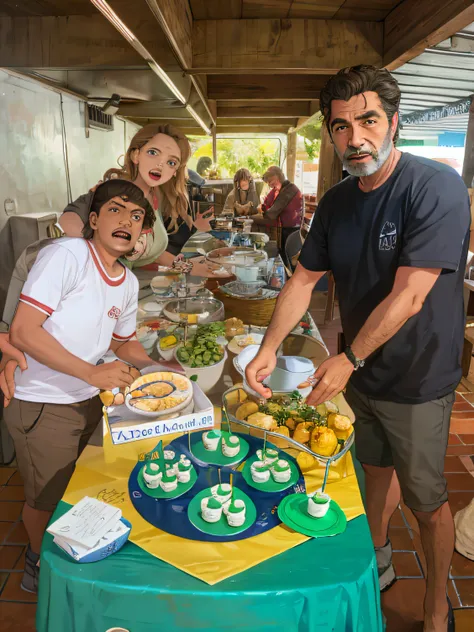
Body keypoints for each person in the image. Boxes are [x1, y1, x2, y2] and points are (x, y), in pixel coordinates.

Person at [246, 65, 470, 632]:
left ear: (393, 122)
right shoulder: (339, 201)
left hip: (417, 374)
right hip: (363, 371)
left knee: (426, 498)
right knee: (373, 464)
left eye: (368, 120)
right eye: (341, 127)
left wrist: (347, 359)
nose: (355, 138)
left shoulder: (432, 185)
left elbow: (412, 295)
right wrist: (268, 348)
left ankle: (437, 607)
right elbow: (302, 281)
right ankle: (377, 556)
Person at [3, 179, 162, 594]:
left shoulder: (125, 282)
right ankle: (37, 565)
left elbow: (121, 342)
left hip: (87, 400)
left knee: (79, 484)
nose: (127, 219)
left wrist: (159, 368)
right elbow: (22, 331)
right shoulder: (67, 255)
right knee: (45, 496)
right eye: (116, 209)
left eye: (137, 215)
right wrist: (92, 374)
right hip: (43, 400)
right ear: (93, 219)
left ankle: (71, 553)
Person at [59, 123, 214, 272]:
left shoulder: (154, 197)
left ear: (175, 171)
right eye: (153, 153)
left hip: (129, 284)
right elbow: (68, 219)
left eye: (171, 162)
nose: (160, 165)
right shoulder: (116, 190)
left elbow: (153, 254)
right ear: (136, 155)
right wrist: (100, 253)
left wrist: (189, 267)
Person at [250, 166, 303, 266]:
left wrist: (262, 210)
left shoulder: (289, 190)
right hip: (284, 228)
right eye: (268, 183)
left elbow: (271, 214)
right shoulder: (281, 189)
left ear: (278, 177)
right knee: (284, 257)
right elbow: (268, 206)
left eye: (271, 181)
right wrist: (263, 208)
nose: (270, 185)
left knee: (287, 259)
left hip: (291, 230)